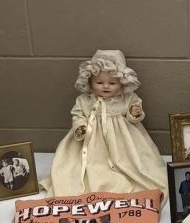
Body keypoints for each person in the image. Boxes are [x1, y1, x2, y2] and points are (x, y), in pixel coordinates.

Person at [41, 50, 167, 198]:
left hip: (123, 144)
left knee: (135, 166)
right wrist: (80, 127)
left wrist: (135, 113)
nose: (105, 86)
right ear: (90, 82)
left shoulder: (127, 98)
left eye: (112, 83)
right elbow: (78, 114)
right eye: (99, 82)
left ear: (122, 83)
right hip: (93, 144)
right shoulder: (85, 100)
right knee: (81, 168)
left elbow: (134, 116)